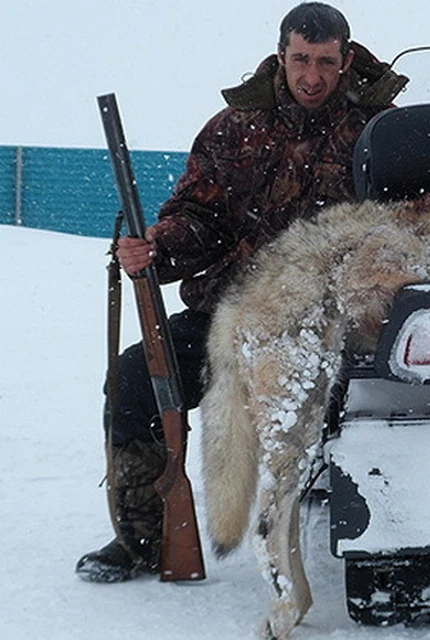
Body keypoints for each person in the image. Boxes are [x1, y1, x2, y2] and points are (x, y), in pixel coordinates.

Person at [75, 2, 408, 583]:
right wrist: (155, 246)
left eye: (325, 62)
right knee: (134, 380)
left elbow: (412, 216)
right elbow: (195, 219)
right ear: (280, 55)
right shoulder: (233, 129)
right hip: (233, 316)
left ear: (346, 59)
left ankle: (402, 533)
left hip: (339, 321)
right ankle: (142, 538)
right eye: (300, 59)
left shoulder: (382, 130)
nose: (311, 76)